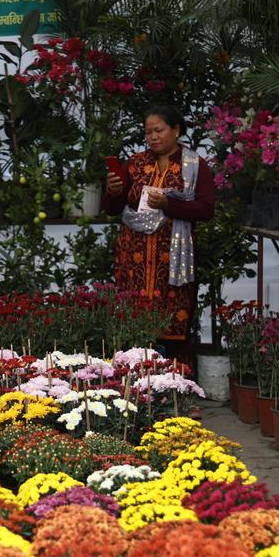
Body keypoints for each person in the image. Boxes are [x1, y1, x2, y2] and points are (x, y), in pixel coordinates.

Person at [104, 105, 215, 366]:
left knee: (173, 317)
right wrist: (113, 190)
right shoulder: (134, 163)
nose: (153, 137)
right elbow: (113, 209)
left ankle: (174, 381)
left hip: (172, 263)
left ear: (176, 130)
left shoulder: (195, 165)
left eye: (158, 130)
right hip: (135, 259)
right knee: (133, 315)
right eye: (148, 132)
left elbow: (206, 209)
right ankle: (133, 379)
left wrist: (169, 205)